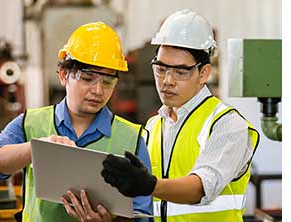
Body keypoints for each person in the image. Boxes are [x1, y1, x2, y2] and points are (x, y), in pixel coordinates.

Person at [0, 22, 153, 222]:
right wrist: (38, 149)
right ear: (63, 75)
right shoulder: (31, 123)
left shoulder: (132, 138)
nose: (98, 91)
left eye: (107, 82)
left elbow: (144, 216)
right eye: (88, 78)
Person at [100, 10, 260, 222]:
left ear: (204, 73)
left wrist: (150, 185)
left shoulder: (226, 124)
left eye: (180, 72)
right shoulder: (153, 127)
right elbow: (147, 209)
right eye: (161, 69)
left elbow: (202, 186)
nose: (167, 80)